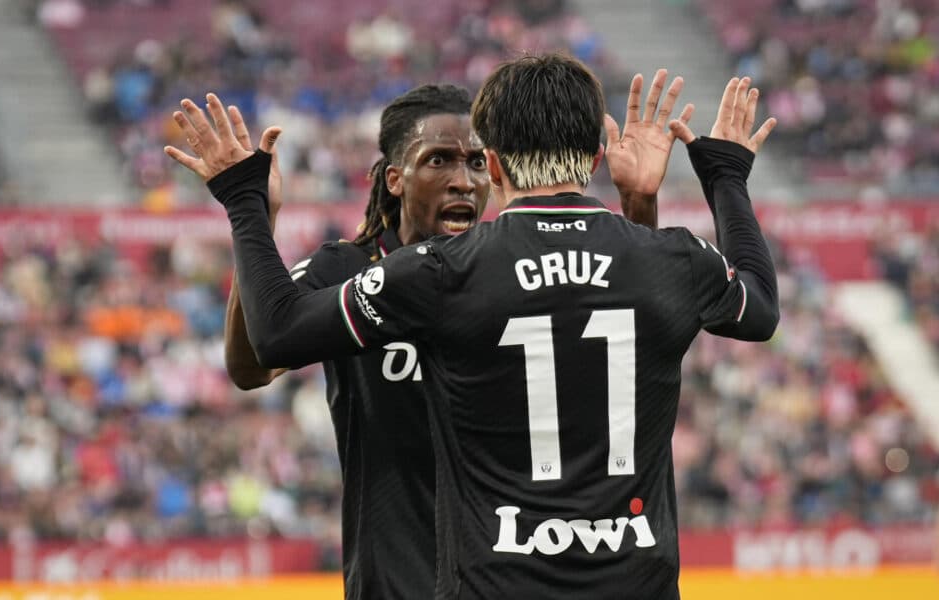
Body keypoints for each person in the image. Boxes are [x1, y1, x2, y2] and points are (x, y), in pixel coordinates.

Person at [170, 53, 778, 598]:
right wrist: (712, 182)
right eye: (439, 161)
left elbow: (606, 299)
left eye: (471, 163)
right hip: (417, 576)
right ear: (394, 178)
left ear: (494, 165)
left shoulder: (447, 274)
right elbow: (255, 355)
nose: (462, 180)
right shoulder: (359, 267)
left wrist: (244, 203)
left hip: (487, 573)